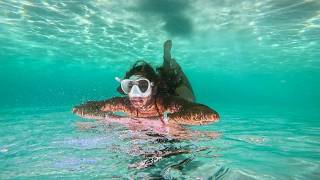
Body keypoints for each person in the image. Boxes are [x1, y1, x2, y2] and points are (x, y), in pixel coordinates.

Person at [73, 40, 219, 128]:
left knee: (182, 90)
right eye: (130, 86)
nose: (135, 94)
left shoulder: (166, 103)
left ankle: (168, 60)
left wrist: (161, 120)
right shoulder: (124, 103)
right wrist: (112, 118)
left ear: (153, 89)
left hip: (174, 92)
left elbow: (211, 115)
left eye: (142, 86)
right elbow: (78, 109)